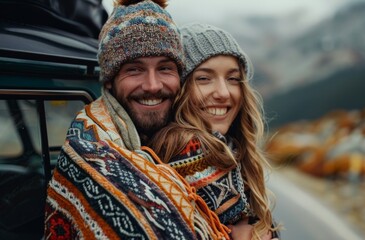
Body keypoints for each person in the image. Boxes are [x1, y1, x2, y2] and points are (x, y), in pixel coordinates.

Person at [44, 1, 230, 239]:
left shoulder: (197, 142)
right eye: (134, 70)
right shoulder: (90, 148)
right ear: (110, 80)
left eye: (165, 68)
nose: (152, 85)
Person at [149, 23, 280, 239]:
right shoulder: (185, 148)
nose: (223, 92)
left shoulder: (226, 146)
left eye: (232, 79)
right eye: (203, 78)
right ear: (181, 89)